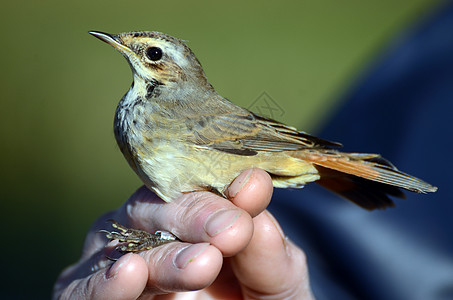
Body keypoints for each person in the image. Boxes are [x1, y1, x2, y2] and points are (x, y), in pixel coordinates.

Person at [54, 2, 453, 299]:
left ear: (174, 73)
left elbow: (252, 138)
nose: (135, 53)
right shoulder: (143, 115)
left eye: (151, 54)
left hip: (269, 152)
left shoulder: (171, 116)